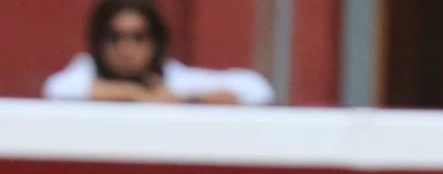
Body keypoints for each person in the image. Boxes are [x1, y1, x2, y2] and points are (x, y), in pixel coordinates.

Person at [42, 1, 274, 106]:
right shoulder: (86, 70)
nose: (126, 48)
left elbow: (257, 89)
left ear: (156, 42)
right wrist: (137, 94)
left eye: (138, 37)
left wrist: (186, 100)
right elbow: (57, 89)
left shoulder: (173, 79)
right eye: (115, 37)